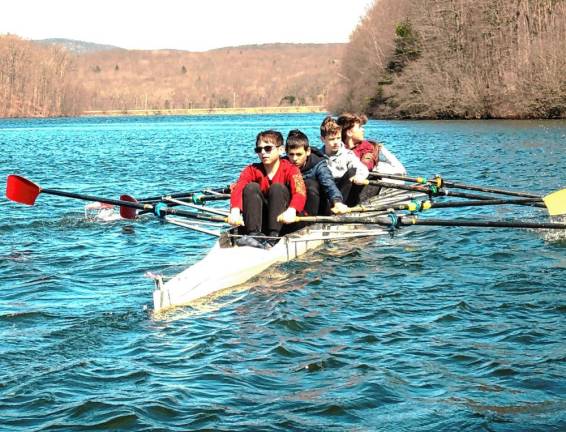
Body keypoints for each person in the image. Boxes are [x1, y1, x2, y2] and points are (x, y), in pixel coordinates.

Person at [228, 130, 306, 248]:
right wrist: (235, 210)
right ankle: (254, 234)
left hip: (284, 220)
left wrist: (292, 210)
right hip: (262, 220)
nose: (263, 153)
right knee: (250, 188)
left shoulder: (291, 169)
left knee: (277, 188)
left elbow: (300, 192)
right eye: (259, 149)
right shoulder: (251, 170)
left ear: (281, 150)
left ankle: (274, 237)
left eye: (268, 148)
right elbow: (238, 187)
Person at [284, 129, 349, 216]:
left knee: (310, 184)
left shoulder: (318, 164)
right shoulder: (283, 163)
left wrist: (337, 202)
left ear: (308, 151)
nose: (295, 159)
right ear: (286, 153)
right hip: (293, 207)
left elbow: (329, 184)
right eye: (291, 154)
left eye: (299, 154)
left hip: (316, 205)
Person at [318, 116, 369, 207]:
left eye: (338, 138)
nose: (336, 142)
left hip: (345, 192)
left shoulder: (348, 154)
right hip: (326, 192)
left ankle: (341, 206)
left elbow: (363, 169)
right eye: (331, 139)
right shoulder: (317, 156)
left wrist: (359, 177)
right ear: (322, 139)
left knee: (352, 171)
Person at [337, 112, 406, 174]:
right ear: (349, 133)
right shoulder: (337, 148)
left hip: (386, 175)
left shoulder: (367, 147)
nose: (363, 130)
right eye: (359, 127)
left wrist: (362, 163)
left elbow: (367, 166)